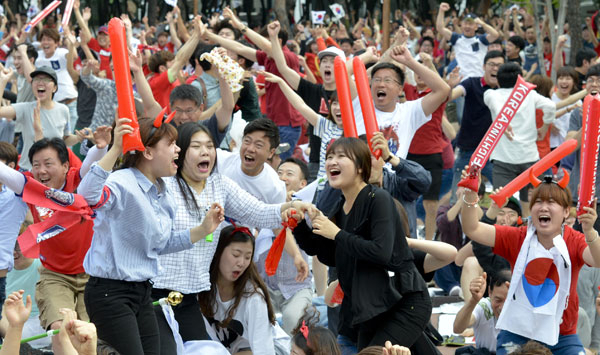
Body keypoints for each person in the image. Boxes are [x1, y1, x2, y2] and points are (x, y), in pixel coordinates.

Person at [150, 122, 312, 353]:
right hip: (155, 293)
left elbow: (258, 211)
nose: (205, 151)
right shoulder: (164, 185)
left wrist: (291, 206)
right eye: (196, 146)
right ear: (182, 151)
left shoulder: (219, 184)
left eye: (209, 146)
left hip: (189, 297)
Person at [77, 116, 225, 354]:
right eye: (171, 144)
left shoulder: (163, 192)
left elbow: (161, 244)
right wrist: (116, 148)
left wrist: (202, 230)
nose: (178, 150)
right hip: (109, 293)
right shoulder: (121, 181)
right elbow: (87, 196)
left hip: (143, 291)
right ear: (147, 152)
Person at [288, 137, 431, 350]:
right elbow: (326, 254)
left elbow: (381, 252)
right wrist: (297, 224)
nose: (332, 162)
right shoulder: (339, 205)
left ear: (361, 167)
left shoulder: (378, 198)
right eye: (329, 157)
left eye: (341, 156)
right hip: (370, 309)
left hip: (403, 301)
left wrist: (336, 233)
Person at [461, 171, 600, 354]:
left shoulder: (575, 240)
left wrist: (590, 232)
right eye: (538, 202)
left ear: (566, 211)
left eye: (551, 202)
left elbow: (597, 260)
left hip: (562, 334)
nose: (543, 207)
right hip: (517, 332)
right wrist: (470, 194)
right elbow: (472, 229)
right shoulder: (518, 236)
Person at [198, 225, 291, 354]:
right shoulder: (202, 288)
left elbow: (263, 349)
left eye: (248, 257)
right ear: (217, 252)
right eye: (236, 255)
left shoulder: (254, 297)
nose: (241, 263)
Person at [352, 45, 450, 159]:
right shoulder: (359, 105)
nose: (381, 84)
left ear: (400, 89)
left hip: (393, 175)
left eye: (387, 80)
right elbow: (341, 71)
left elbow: (443, 90)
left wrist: (410, 61)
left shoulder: (409, 112)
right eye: (377, 80)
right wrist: (367, 56)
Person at [484, 62, 556, 216]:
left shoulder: (491, 94)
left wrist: (503, 121)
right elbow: (551, 106)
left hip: (503, 160)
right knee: (536, 203)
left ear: (498, 80)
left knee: (501, 206)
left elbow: (496, 106)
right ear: (520, 80)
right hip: (529, 159)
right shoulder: (529, 95)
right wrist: (544, 127)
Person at [448, 50, 505, 203]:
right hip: (468, 151)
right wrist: (449, 86)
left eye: (499, 65)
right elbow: (451, 95)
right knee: (457, 198)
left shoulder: (506, 90)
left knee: (505, 196)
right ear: (484, 66)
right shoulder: (471, 83)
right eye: (491, 64)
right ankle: (456, 227)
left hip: (495, 154)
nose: (495, 69)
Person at [0, 66, 79, 170]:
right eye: (36, 79)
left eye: (46, 79)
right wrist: (3, 81)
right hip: (28, 172)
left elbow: (65, 139)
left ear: (55, 87)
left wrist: (79, 137)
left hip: (52, 172)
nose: (40, 83)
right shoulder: (25, 108)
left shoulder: (63, 110)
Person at [453, 270, 511, 354]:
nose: (502, 307)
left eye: (508, 302)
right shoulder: (484, 306)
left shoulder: (523, 309)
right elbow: (457, 328)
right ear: (490, 292)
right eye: (498, 300)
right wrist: (473, 300)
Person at [436, 4, 499, 79]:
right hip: (462, 80)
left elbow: (495, 35)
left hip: (479, 78)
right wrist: (441, 10)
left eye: (470, 24)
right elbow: (440, 28)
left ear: (476, 27)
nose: (467, 26)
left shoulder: (481, 39)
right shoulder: (456, 38)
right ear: (461, 25)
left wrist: (482, 23)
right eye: (465, 23)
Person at [34, 28, 78, 131]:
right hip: (51, 106)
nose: (45, 42)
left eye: (49, 40)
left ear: (56, 43)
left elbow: (74, 56)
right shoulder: (38, 58)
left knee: (67, 140)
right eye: (43, 39)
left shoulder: (61, 53)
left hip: (69, 103)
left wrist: (71, 44)